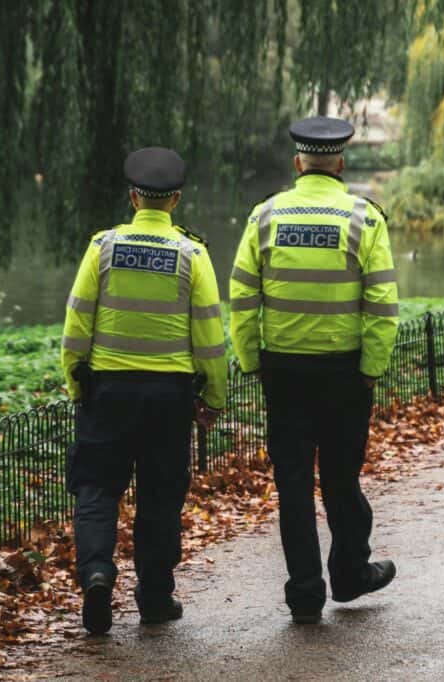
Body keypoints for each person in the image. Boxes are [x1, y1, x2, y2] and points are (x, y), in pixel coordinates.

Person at [228, 117, 400, 624]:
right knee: (342, 480)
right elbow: (383, 303)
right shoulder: (365, 219)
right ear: (341, 163)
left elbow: (241, 296)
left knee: (295, 485)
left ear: (298, 162)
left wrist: (252, 359)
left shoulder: (265, 216)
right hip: (346, 373)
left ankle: (305, 592)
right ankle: (349, 574)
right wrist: (371, 368)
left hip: (284, 374)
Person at [61, 147, 227, 635]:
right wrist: (213, 399)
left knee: (96, 489)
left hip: (107, 392)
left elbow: (76, 325)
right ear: (173, 200)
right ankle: (155, 599)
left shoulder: (102, 248)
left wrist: (76, 382)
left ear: (134, 197)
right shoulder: (192, 255)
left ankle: (95, 572)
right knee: (159, 497)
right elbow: (210, 338)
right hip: (168, 398)